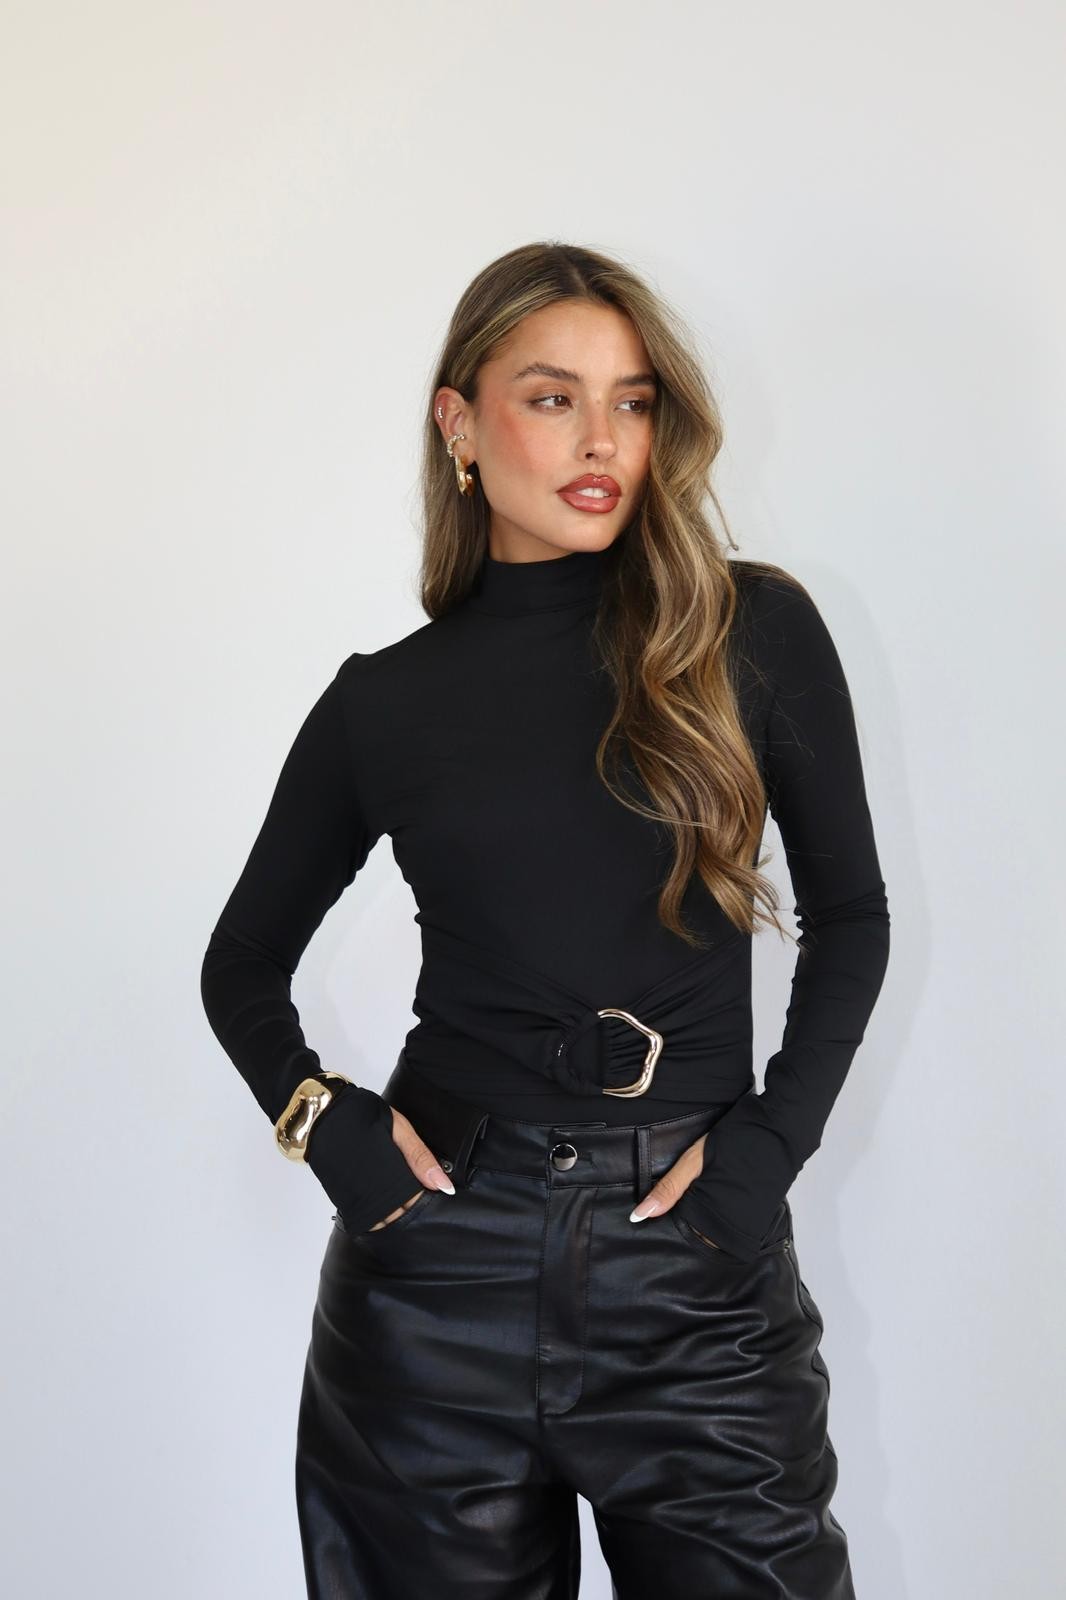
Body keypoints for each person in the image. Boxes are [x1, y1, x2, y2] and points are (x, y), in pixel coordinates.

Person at [200, 240, 890, 1600]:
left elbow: (851, 916)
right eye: (552, 396)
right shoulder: (384, 701)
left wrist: (765, 1153)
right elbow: (242, 964)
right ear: (459, 424)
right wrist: (330, 1131)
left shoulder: (748, 631)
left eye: (632, 400)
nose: (601, 440)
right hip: (431, 1281)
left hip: (693, 1273)